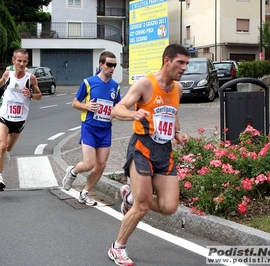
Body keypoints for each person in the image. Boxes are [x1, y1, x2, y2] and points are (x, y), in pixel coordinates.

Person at [107, 43, 190, 266]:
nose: (183, 67)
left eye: (186, 64)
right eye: (180, 62)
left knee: (169, 206)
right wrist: (133, 115)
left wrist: (178, 133)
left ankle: (130, 196)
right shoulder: (145, 84)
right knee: (142, 206)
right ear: (167, 61)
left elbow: (173, 113)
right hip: (142, 147)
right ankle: (118, 247)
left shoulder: (178, 89)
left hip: (164, 151)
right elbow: (118, 108)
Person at [62, 51, 121, 206]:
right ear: (101, 64)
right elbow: (75, 103)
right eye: (109, 64)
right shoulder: (88, 82)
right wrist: (87, 106)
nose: (112, 68)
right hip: (89, 127)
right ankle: (73, 171)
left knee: (101, 165)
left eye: (114, 65)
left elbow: (118, 107)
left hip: (106, 129)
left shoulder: (116, 86)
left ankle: (85, 192)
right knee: (89, 164)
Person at [0, 49, 42, 191]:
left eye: (24, 61)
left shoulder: (30, 78)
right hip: (4, 116)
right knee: (2, 146)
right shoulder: (8, 74)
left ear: (27, 62)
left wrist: (31, 94)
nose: (21, 64)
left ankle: (6, 153)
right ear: (13, 60)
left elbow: (39, 95)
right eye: (19, 60)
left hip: (19, 119)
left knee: (7, 149)